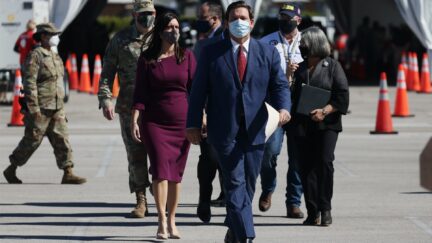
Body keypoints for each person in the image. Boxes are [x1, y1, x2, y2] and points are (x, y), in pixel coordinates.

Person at [186, 1, 291, 242]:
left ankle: (235, 230)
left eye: (243, 18)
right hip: (224, 130)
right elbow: (198, 91)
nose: (239, 23)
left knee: (249, 184)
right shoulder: (212, 52)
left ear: (252, 23)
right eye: (234, 18)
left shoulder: (267, 52)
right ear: (226, 22)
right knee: (234, 182)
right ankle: (246, 235)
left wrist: (284, 108)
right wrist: (192, 123)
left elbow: (280, 85)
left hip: (256, 129)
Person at [131, 12, 196, 240]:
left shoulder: (187, 56)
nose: (174, 30)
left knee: (175, 175)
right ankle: (160, 220)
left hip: (182, 123)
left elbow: (195, 91)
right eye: (169, 26)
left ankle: (172, 219)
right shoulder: (147, 59)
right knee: (160, 171)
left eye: (177, 26)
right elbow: (140, 92)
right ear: (160, 31)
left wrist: (202, 116)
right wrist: (135, 119)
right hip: (154, 123)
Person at [3, 23, 86, 185]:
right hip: (40, 108)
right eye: (52, 34)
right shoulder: (36, 56)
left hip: (56, 107)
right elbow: (30, 83)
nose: (56, 37)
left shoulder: (54, 56)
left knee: (62, 139)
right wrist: (33, 108)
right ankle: (11, 168)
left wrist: (61, 105)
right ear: (43, 36)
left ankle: (68, 172)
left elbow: (57, 81)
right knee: (31, 141)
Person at [97, 0, 156, 218]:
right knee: (136, 155)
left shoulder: (164, 37)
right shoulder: (120, 40)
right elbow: (107, 73)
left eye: (149, 13)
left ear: (155, 12)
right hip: (129, 107)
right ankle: (141, 200)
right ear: (134, 15)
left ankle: (159, 191)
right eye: (142, 14)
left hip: (159, 108)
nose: (146, 17)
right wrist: (105, 99)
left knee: (160, 154)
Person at [290, 26, 349, 226]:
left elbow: (342, 96)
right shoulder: (300, 68)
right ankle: (312, 210)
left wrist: (324, 111)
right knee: (306, 168)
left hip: (327, 124)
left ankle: (326, 208)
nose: (301, 46)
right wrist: (289, 75)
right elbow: (289, 94)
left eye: (304, 43)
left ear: (315, 44)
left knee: (324, 163)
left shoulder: (333, 66)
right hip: (302, 125)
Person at [258, 2, 304, 218]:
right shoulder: (266, 42)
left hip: (301, 105)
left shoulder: (308, 42)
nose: (285, 22)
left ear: (298, 21)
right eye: (282, 18)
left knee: (297, 157)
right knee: (269, 153)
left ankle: (293, 202)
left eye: (289, 19)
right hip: (275, 106)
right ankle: (267, 189)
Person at [193, 1, 226, 223]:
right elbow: (197, 84)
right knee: (210, 158)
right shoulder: (203, 46)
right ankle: (204, 199)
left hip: (236, 114)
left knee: (233, 163)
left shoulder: (240, 42)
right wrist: (199, 113)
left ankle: (233, 207)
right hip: (211, 112)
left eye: (202, 17)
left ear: (215, 18)